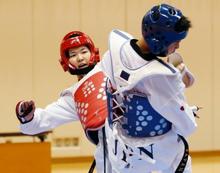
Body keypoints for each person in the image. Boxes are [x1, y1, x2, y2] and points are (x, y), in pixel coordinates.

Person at [99, 3, 198, 173]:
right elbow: (186, 125)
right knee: (182, 156)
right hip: (159, 149)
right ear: (161, 40)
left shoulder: (114, 52)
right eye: (176, 42)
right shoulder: (161, 77)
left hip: (120, 145)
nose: (178, 47)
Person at [15, 31, 108, 173]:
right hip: (109, 155)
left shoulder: (111, 69)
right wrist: (28, 117)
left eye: (84, 51)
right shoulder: (74, 95)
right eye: (73, 55)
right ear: (65, 62)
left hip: (140, 143)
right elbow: (43, 120)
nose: (80, 58)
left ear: (94, 52)